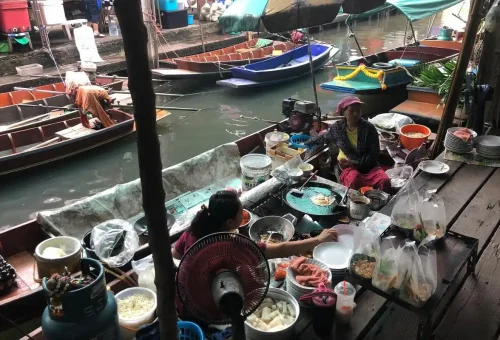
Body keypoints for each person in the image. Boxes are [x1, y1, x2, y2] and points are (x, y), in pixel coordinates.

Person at [172, 190, 338, 261]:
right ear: (230, 222)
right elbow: (281, 249)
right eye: (240, 213)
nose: (243, 213)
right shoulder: (231, 244)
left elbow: (176, 254)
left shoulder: (194, 229)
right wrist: (318, 240)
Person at [305, 96, 391, 193]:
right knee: (354, 180)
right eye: (351, 111)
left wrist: (354, 162)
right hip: (348, 167)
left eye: (358, 110)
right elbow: (323, 137)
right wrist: (305, 143)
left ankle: (379, 203)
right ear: (343, 112)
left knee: (385, 181)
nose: (355, 114)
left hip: (369, 167)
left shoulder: (369, 128)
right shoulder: (337, 128)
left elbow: (374, 156)